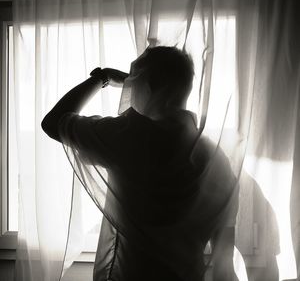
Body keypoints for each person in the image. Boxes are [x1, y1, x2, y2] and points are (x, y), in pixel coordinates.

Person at [42, 46, 239, 281]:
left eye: (132, 82)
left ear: (149, 86)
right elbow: (224, 248)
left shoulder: (128, 136)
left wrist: (102, 77)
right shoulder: (215, 157)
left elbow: (53, 122)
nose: (128, 89)